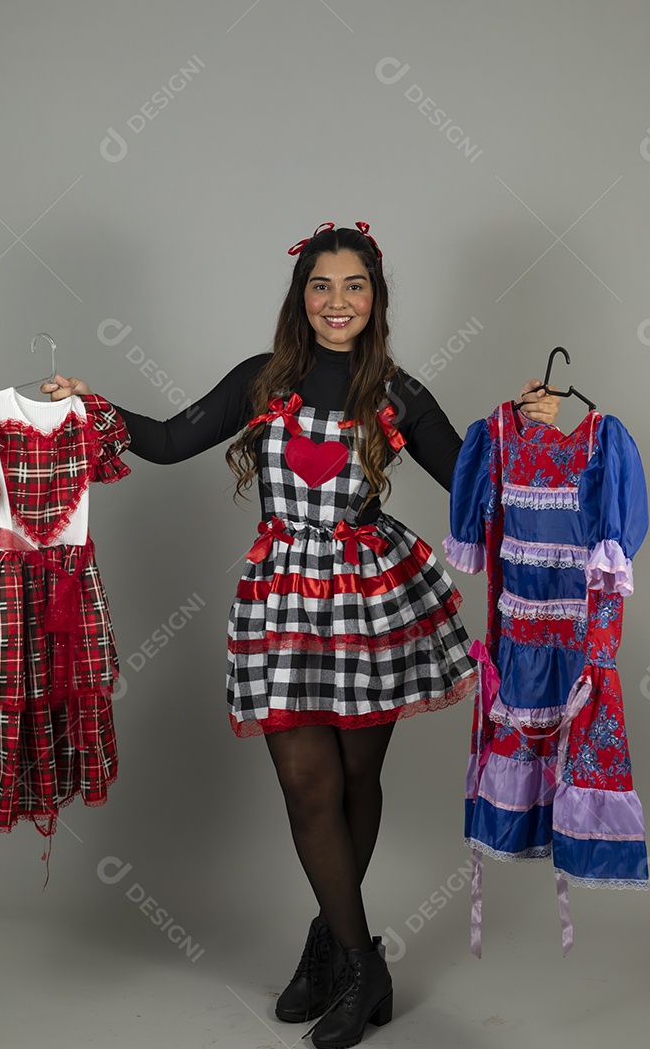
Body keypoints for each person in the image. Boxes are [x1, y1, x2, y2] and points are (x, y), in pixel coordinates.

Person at [43, 222, 559, 1049]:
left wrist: (528, 431)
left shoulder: (397, 393)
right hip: (283, 599)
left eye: (355, 286)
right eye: (322, 286)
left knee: (359, 779)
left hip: (374, 600)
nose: (337, 302)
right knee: (308, 785)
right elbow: (174, 442)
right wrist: (88, 406)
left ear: (376, 298)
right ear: (301, 297)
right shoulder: (261, 380)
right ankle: (365, 964)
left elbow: (476, 487)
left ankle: (327, 946)